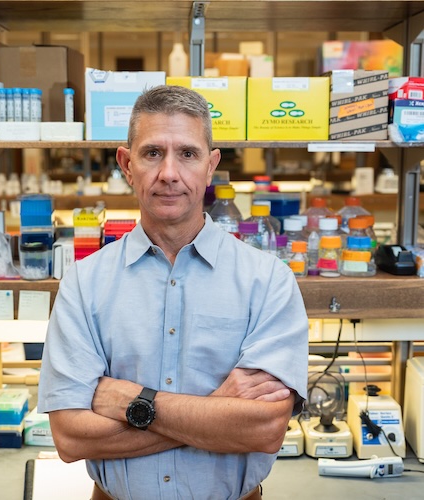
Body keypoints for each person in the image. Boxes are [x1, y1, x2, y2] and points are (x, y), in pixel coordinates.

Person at [38, 85, 309, 500]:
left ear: (210, 165)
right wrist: (217, 412)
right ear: (127, 165)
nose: (169, 173)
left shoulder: (267, 280)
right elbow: (72, 438)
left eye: (187, 153)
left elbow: (265, 428)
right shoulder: (84, 283)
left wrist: (132, 401)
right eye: (152, 153)